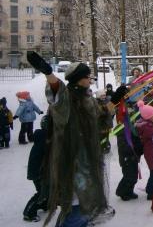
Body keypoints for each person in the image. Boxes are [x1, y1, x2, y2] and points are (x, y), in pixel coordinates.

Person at [26, 51, 114, 226]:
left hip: (88, 158)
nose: (90, 79)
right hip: (73, 160)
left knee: (85, 205)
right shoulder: (68, 97)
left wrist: (116, 99)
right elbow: (57, 93)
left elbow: (100, 115)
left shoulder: (87, 98)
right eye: (88, 76)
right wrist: (48, 73)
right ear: (79, 78)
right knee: (78, 205)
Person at [23, 115, 50, 222]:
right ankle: (28, 213)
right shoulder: (45, 138)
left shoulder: (43, 136)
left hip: (40, 170)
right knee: (42, 192)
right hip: (38, 171)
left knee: (46, 190)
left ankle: (44, 204)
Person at [135, 100, 153, 201]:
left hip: (150, 151)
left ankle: (150, 189)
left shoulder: (144, 124)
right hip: (151, 152)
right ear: (148, 116)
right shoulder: (148, 127)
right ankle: (151, 193)